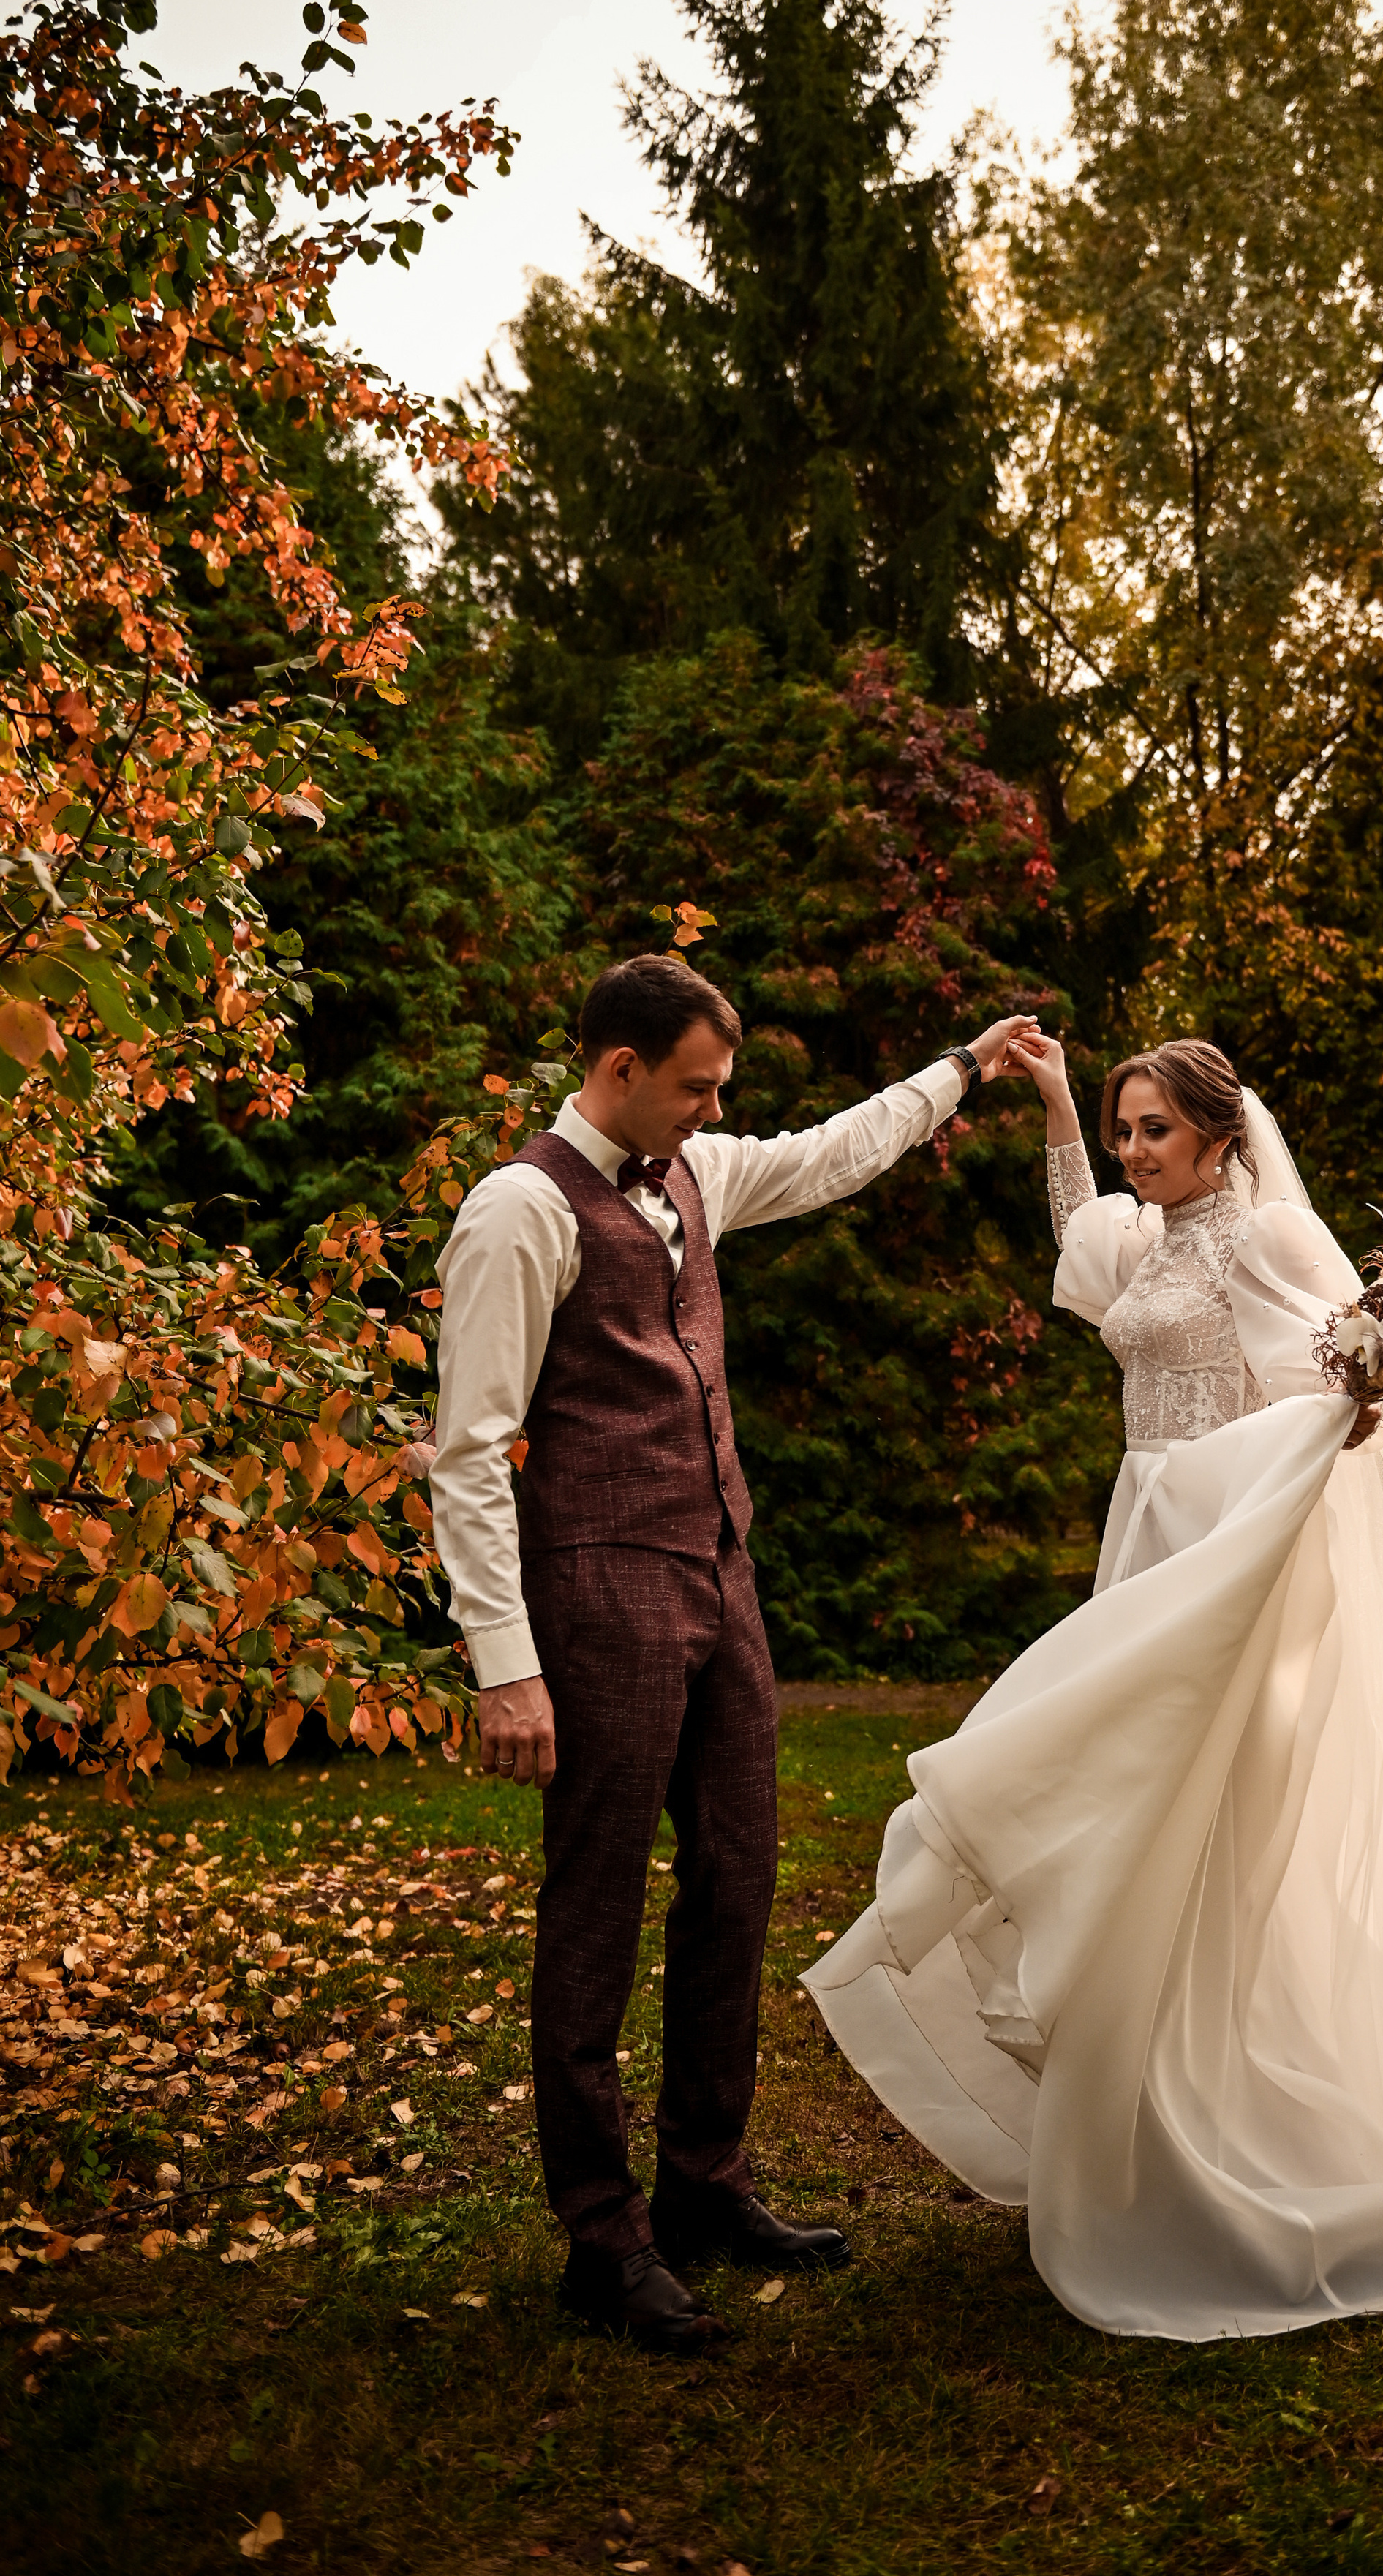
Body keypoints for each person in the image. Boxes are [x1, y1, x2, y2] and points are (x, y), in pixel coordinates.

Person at [804, 1033, 1383, 2343]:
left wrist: (1272, 1477)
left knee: (1206, 1819)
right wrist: (1054, 1099)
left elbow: (1336, 1405)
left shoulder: (1268, 1244)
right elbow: (1080, 1241)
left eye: (1153, 1130)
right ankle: (1139, 2092)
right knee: (1119, 1797)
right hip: (1138, 1537)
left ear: (1222, 1137)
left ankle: (1225, 2110)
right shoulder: (1141, 1238)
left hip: (1218, 1550)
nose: (1130, 1151)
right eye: (1122, 1129)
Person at [429, 950, 1037, 2352]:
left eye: (722, 1092)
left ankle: (705, 2185)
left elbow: (832, 1153)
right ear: (619, 1067)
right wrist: (503, 1662)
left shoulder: (695, 1174)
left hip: (720, 1571)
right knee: (596, 1906)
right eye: (695, 1087)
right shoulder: (520, 1211)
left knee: (737, 1878)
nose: (711, 1113)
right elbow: (468, 1455)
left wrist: (960, 1070)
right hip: (595, 1582)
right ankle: (603, 2235)